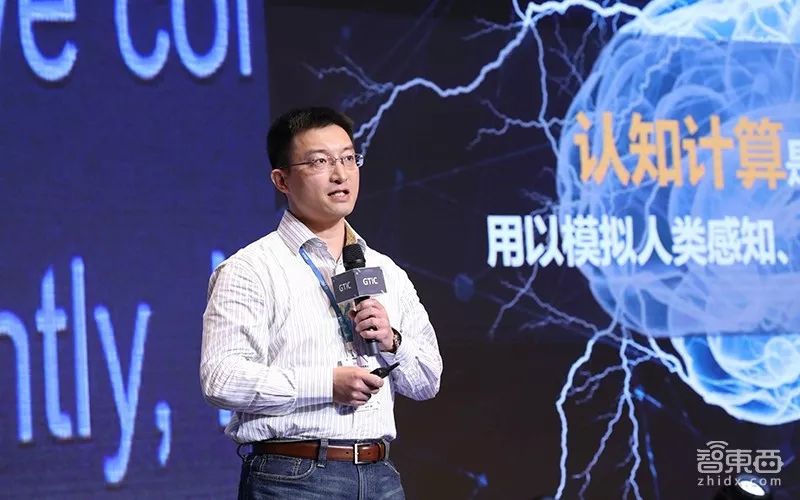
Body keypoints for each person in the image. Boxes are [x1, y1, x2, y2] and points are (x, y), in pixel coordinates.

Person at [200, 106, 443, 499]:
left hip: (380, 476)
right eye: (319, 162)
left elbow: (428, 381)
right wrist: (326, 384)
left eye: (348, 158)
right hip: (293, 478)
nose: (340, 174)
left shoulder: (385, 269)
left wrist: (392, 340)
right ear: (281, 180)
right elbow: (221, 378)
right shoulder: (251, 269)